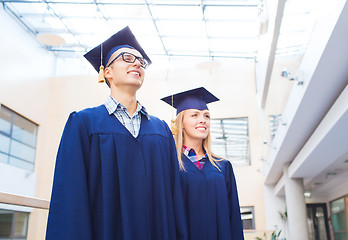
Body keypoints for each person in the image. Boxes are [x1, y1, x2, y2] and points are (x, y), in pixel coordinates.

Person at [46, 26, 187, 240]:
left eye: (141, 61)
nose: (137, 63)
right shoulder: (84, 123)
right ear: (107, 72)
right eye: (127, 57)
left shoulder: (161, 131)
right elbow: (70, 195)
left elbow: (174, 197)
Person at [161, 87, 244, 240]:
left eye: (206, 116)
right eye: (194, 115)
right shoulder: (170, 165)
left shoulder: (223, 167)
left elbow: (234, 218)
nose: (203, 120)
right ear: (181, 123)